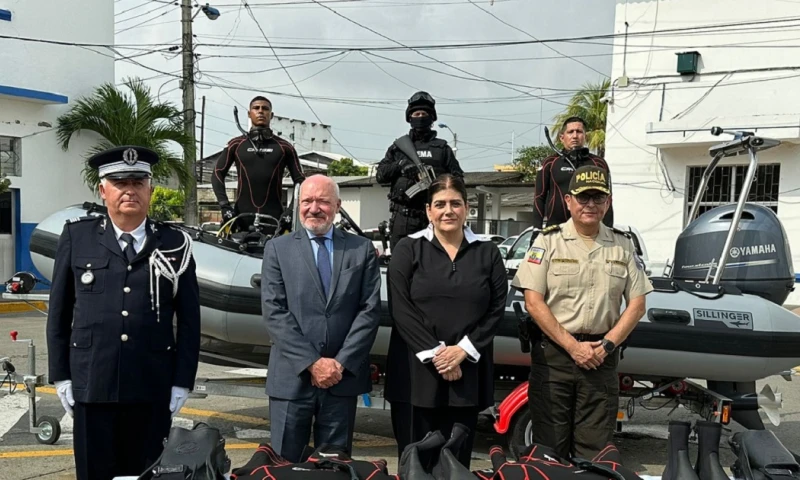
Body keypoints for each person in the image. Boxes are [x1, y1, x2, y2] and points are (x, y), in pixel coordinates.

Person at [46, 146, 201, 480]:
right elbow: (58, 314)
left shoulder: (174, 243)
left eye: (138, 181)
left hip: (152, 386)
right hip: (93, 384)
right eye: (119, 182)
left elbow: (189, 322)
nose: (129, 189)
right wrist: (61, 375)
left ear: (151, 190)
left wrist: (182, 382)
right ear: (103, 190)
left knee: (147, 474)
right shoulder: (78, 236)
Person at [511, 165, 653, 459]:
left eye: (597, 198)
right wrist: (573, 347)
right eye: (583, 197)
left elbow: (637, 305)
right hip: (555, 357)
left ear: (607, 202)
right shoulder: (547, 242)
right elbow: (534, 302)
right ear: (568, 201)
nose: (590, 204)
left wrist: (606, 346)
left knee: (595, 450)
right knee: (549, 448)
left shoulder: (622, 246)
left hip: (601, 358)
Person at [386, 174, 507, 469]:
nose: (447, 210)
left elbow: (496, 309)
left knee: (455, 464)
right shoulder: (407, 249)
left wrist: (462, 352)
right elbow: (400, 309)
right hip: (416, 375)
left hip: (465, 375)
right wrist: (438, 355)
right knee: (415, 463)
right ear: (429, 210)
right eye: (440, 204)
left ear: (467, 208)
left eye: (455, 203)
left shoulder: (487, 253)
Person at [261, 174, 382, 463]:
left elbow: (369, 310)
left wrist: (338, 364)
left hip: (341, 381)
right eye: (307, 201)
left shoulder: (361, 249)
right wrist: (312, 363)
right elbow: (274, 311)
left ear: (337, 206)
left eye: (323, 201)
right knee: (284, 466)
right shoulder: (277, 249)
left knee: (335, 468)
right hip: (292, 380)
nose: (314, 208)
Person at [376, 91, 464, 249]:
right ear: (410, 118)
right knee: (401, 267)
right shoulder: (398, 148)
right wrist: (401, 165)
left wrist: (439, 181)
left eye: (424, 113)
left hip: (434, 219)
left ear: (432, 118)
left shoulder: (442, 149)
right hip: (404, 218)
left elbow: (459, 181)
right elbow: (381, 174)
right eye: (417, 113)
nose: (421, 117)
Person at [212, 95, 305, 233]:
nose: (260, 111)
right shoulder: (236, 144)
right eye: (256, 108)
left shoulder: (285, 147)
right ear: (249, 114)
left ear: (271, 115)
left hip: (276, 221)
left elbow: (300, 181)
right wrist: (225, 206)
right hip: (239, 220)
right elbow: (217, 173)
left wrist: (291, 212)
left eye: (265, 109)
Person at [531, 116, 614, 245]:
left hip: (590, 234)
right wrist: (536, 229)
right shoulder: (550, 163)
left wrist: (609, 230)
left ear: (585, 136)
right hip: (557, 233)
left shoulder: (598, 163)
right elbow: (539, 197)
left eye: (579, 131)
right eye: (570, 132)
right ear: (562, 137)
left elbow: (607, 199)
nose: (575, 136)